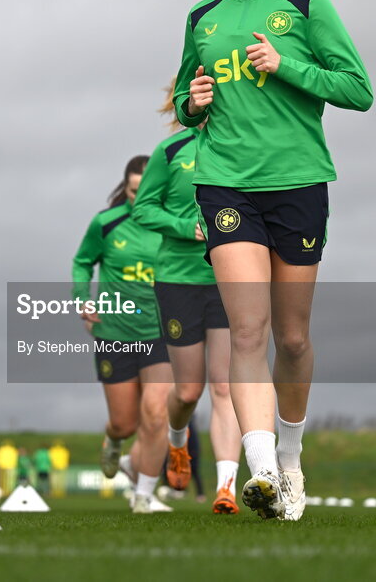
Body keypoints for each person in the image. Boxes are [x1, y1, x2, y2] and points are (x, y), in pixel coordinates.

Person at [173, 0, 373, 520]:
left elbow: (357, 90)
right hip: (225, 182)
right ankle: (258, 473)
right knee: (248, 328)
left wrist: (286, 66)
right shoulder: (202, 16)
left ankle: (289, 457)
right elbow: (182, 95)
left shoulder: (307, 6)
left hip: (298, 183)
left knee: (291, 336)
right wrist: (194, 100)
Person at [133, 80, 243, 515]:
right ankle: (178, 443)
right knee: (187, 391)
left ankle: (226, 486)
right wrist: (185, 227)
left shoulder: (242, 145)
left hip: (228, 278)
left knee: (223, 385)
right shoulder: (171, 151)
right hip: (178, 279)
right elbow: (144, 208)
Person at [72, 155, 174, 513]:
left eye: (144, 190)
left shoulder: (172, 223)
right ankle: (115, 442)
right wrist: (81, 300)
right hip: (114, 334)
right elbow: (83, 262)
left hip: (162, 335)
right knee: (125, 422)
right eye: (132, 191)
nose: (137, 196)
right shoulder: (106, 223)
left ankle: (144, 495)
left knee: (156, 413)